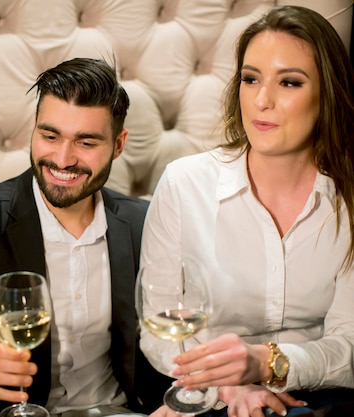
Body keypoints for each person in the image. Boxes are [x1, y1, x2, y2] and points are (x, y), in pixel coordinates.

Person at [0, 57, 169, 416]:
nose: (63, 159)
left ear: (118, 144)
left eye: (86, 142)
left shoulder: (148, 223)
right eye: (50, 136)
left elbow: (173, 347)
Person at [140, 6, 354, 417]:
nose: (261, 100)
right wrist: (225, 385)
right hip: (209, 395)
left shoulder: (347, 200)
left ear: (326, 93)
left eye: (289, 82)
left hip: (325, 394)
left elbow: (349, 345)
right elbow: (158, 330)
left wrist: (269, 364)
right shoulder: (184, 184)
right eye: (250, 78)